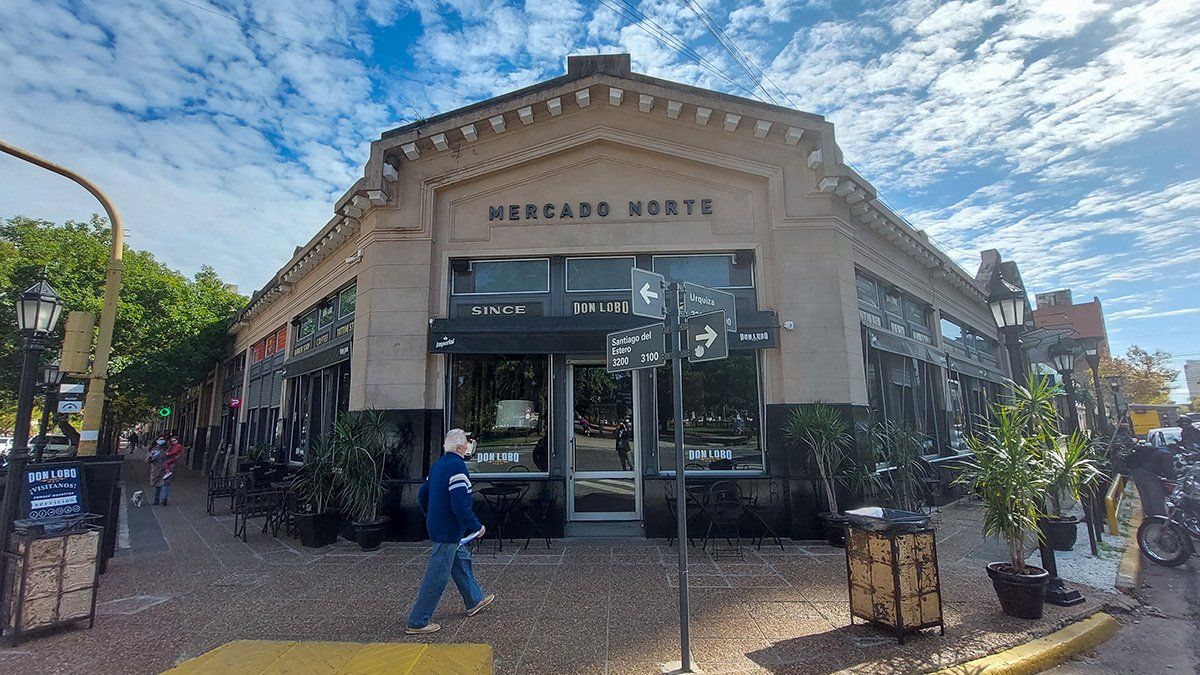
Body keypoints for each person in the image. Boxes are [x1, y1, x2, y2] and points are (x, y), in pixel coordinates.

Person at [406, 429, 495, 635]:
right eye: (466, 444)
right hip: (449, 530)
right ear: (460, 447)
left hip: (439, 526)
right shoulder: (458, 468)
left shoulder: (438, 466)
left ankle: (474, 600)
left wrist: (431, 515)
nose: (467, 448)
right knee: (438, 574)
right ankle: (418, 620)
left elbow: (422, 495)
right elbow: (460, 505)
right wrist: (476, 526)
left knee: (460, 560)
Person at [1128, 436, 1177, 517]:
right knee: (1155, 495)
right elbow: (1169, 471)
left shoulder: (1159, 450)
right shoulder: (1167, 454)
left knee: (1144, 494)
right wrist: (1172, 481)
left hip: (1135, 470)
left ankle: (1150, 516)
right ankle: (1160, 517)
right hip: (1147, 472)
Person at [146, 436, 168, 505]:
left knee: (164, 484)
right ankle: (157, 499)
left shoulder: (167, 448)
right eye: (160, 439)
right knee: (157, 485)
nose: (161, 441)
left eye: (163, 439)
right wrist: (150, 457)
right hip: (156, 470)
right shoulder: (154, 449)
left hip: (166, 470)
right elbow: (147, 460)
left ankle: (162, 499)